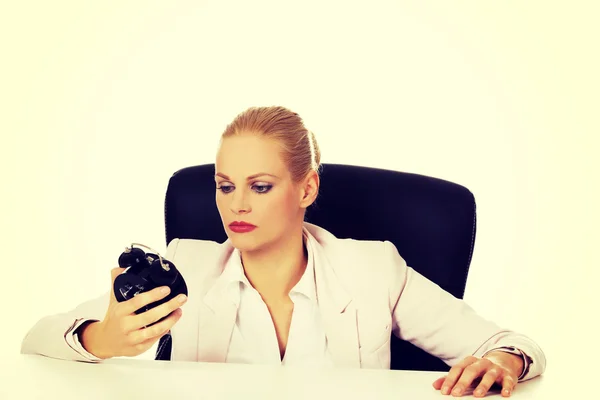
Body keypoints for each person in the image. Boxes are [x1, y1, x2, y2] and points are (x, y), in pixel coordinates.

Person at [21, 106, 546, 397]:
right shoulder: (187, 265)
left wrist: (503, 359)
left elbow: (510, 343)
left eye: (261, 186)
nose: (237, 205)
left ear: (307, 189)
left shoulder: (372, 270)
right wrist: (104, 337)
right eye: (225, 186)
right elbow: (38, 339)